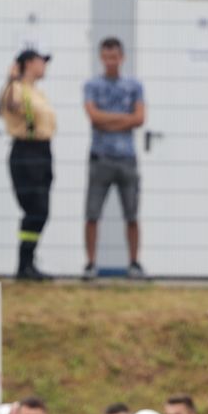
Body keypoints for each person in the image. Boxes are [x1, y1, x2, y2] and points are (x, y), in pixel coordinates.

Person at [82, 36, 146, 280]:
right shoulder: (92, 85)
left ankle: (134, 263)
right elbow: (93, 117)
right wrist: (123, 119)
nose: (111, 61)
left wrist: (106, 119)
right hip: (100, 158)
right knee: (92, 214)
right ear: (101, 57)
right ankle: (90, 264)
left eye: (115, 57)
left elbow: (139, 118)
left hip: (127, 159)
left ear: (122, 57)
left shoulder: (134, 85)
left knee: (131, 214)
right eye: (107, 57)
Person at [0, 48, 56, 281]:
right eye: (41, 61)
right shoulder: (16, 89)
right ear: (29, 63)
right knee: (35, 209)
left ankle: (28, 262)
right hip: (26, 151)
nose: (44, 66)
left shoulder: (36, 91)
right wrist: (12, 77)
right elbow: (9, 106)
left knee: (40, 210)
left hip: (42, 151)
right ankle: (24, 263)